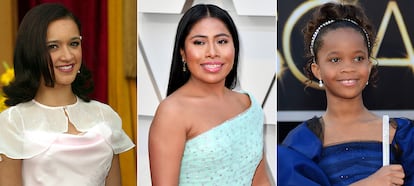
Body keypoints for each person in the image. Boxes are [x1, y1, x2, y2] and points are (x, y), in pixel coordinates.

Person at [277, 2, 414, 186]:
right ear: (317, 70)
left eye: (358, 58)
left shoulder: (401, 135)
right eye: (335, 59)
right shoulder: (301, 143)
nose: (348, 68)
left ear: (369, 65)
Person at [0, 3, 135, 186]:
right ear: (32, 52)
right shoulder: (12, 122)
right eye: (53, 46)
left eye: (73, 44)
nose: (67, 56)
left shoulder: (105, 115)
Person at [148, 4, 271, 185]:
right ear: (183, 52)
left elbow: (261, 181)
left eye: (221, 41)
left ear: (234, 48)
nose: (212, 52)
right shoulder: (172, 112)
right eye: (199, 42)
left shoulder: (248, 105)